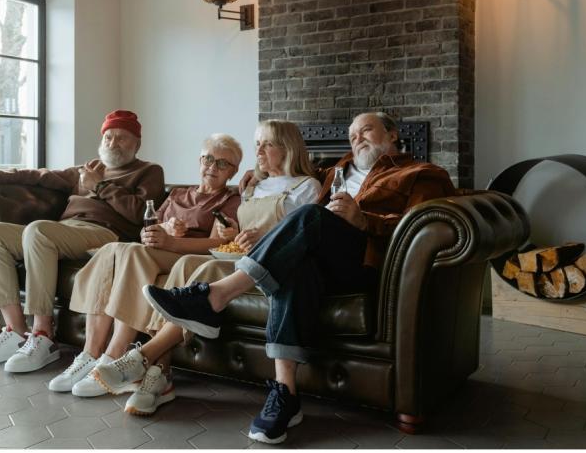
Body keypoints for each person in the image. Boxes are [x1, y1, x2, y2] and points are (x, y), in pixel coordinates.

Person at [143, 112, 456, 443]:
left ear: (393, 135)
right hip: (322, 263)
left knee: (310, 215)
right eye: (351, 135)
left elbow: (423, 225)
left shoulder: (421, 173)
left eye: (366, 130)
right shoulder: (335, 170)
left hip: (365, 261)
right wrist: (258, 173)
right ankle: (285, 394)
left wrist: (365, 221)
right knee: (295, 265)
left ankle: (214, 295)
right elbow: (291, 173)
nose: (357, 138)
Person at [89, 119, 322, 416]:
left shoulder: (307, 187)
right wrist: (229, 232)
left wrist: (260, 238)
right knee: (183, 262)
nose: (259, 151)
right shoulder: (252, 185)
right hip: (236, 256)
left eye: (268, 144)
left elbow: (298, 234)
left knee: (195, 265)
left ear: (288, 148)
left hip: (268, 265)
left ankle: (144, 358)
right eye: (257, 144)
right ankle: (156, 374)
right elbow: (237, 228)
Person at [44, 134, 243, 398]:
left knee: (132, 253)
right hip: (160, 250)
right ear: (199, 160)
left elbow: (222, 244)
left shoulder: (231, 200)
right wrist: (164, 228)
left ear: (234, 171)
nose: (212, 167)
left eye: (222, 164)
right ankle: (91, 355)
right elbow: (147, 231)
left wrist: (172, 241)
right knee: (119, 249)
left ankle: (112, 358)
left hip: (188, 255)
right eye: (208, 159)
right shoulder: (177, 194)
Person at [0, 110, 165, 374]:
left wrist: (100, 187)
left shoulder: (148, 171)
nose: (113, 143)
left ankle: (43, 335)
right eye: (108, 136)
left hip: (105, 236)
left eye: (122, 137)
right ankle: (16, 330)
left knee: (38, 231)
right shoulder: (86, 170)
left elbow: (140, 212)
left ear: (137, 143)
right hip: (63, 231)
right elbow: (40, 176)